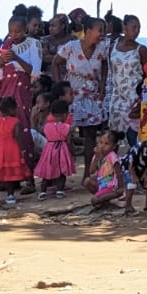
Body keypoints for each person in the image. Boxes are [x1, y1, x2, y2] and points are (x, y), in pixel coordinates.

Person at [57, 16, 109, 181]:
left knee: (90, 136)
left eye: (104, 31)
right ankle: (58, 175)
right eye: (99, 30)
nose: (102, 34)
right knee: (63, 134)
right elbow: (56, 62)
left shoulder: (102, 48)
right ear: (88, 31)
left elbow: (105, 65)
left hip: (92, 96)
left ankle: (88, 173)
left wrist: (102, 83)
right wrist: (60, 86)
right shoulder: (71, 47)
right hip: (72, 96)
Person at [0, 96, 32, 207]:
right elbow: (17, 136)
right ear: (12, 109)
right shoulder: (15, 121)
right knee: (9, 174)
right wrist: (22, 148)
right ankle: (10, 196)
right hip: (11, 149)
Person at [106, 15, 147, 149]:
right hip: (116, 99)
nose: (136, 31)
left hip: (134, 100)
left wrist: (143, 101)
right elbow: (108, 72)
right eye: (133, 27)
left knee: (134, 139)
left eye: (139, 28)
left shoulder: (141, 50)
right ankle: (113, 167)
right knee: (114, 138)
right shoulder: (112, 47)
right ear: (124, 27)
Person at [34, 99, 75, 199]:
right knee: (62, 171)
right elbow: (68, 141)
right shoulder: (66, 127)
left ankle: (42, 192)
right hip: (62, 149)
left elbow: (41, 132)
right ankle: (60, 190)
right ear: (65, 114)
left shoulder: (47, 126)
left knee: (47, 172)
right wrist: (72, 152)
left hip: (49, 149)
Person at [85, 130, 129, 210]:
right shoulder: (97, 155)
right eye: (101, 142)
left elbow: (119, 173)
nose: (102, 146)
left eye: (106, 144)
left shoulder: (112, 156)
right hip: (102, 183)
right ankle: (105, 199)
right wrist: (97, 158)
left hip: (111, 186)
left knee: (94, 201)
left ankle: (113, 197)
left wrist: (120, 188)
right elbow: (91, 171)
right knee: (87, 181)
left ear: (114, 146)